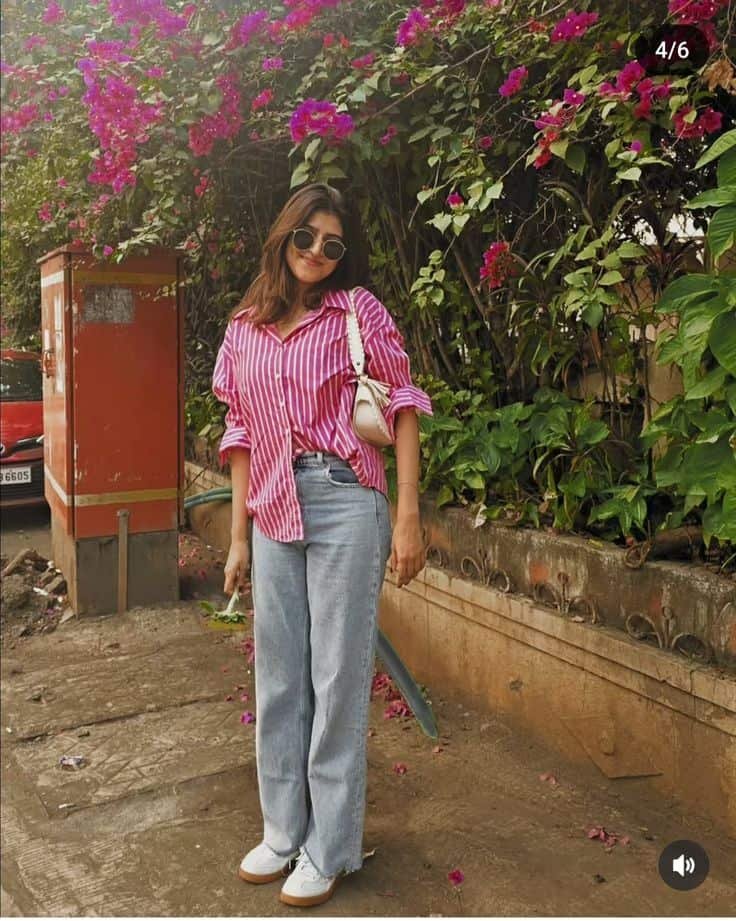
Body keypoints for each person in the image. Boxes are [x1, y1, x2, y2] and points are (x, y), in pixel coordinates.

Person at [211, 182, 433, 908]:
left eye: (332, 244)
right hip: (272, 506)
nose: (316, 252)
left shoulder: (357, 312)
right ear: (283, 236)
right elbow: (240, 434)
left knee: (336, 681)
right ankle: (283, 831)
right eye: (305, 237)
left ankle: (329, 846)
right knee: (278, 678)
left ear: (343, 253)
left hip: (346, 499)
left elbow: (403, 405)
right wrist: (238, 537)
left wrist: (407, 514)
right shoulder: (243, 328)